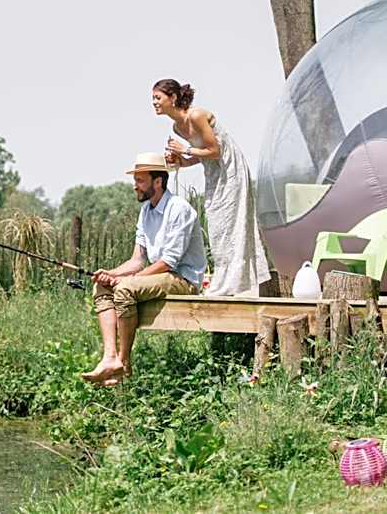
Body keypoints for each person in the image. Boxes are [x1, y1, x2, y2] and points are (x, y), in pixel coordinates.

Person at [80, 152, 206, 385]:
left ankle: (123, 362)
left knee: (125, 289)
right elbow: (137, 259)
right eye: (135, 180)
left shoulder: (179, 209)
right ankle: (109, 357)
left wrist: (129, 280)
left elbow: (169, 262)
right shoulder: (145, 211)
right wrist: (111, 273)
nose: (135, 186)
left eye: (140, 180)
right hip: (160, 275)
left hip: (183, 279)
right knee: (102, 286)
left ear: (157, 181)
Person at [152, 78, 270, 296]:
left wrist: (186, 149)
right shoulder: (177, 128)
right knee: (217, 226)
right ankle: (228, 281)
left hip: (230, 170)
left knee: (231, 224)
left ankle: (237, 285)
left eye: (158, 97)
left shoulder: (196, 116)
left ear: (173, 97)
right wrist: (178, 159)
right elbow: (199, 158)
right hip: (213, 172)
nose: (154, 102)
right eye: (153, 99)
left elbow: (215, 150)